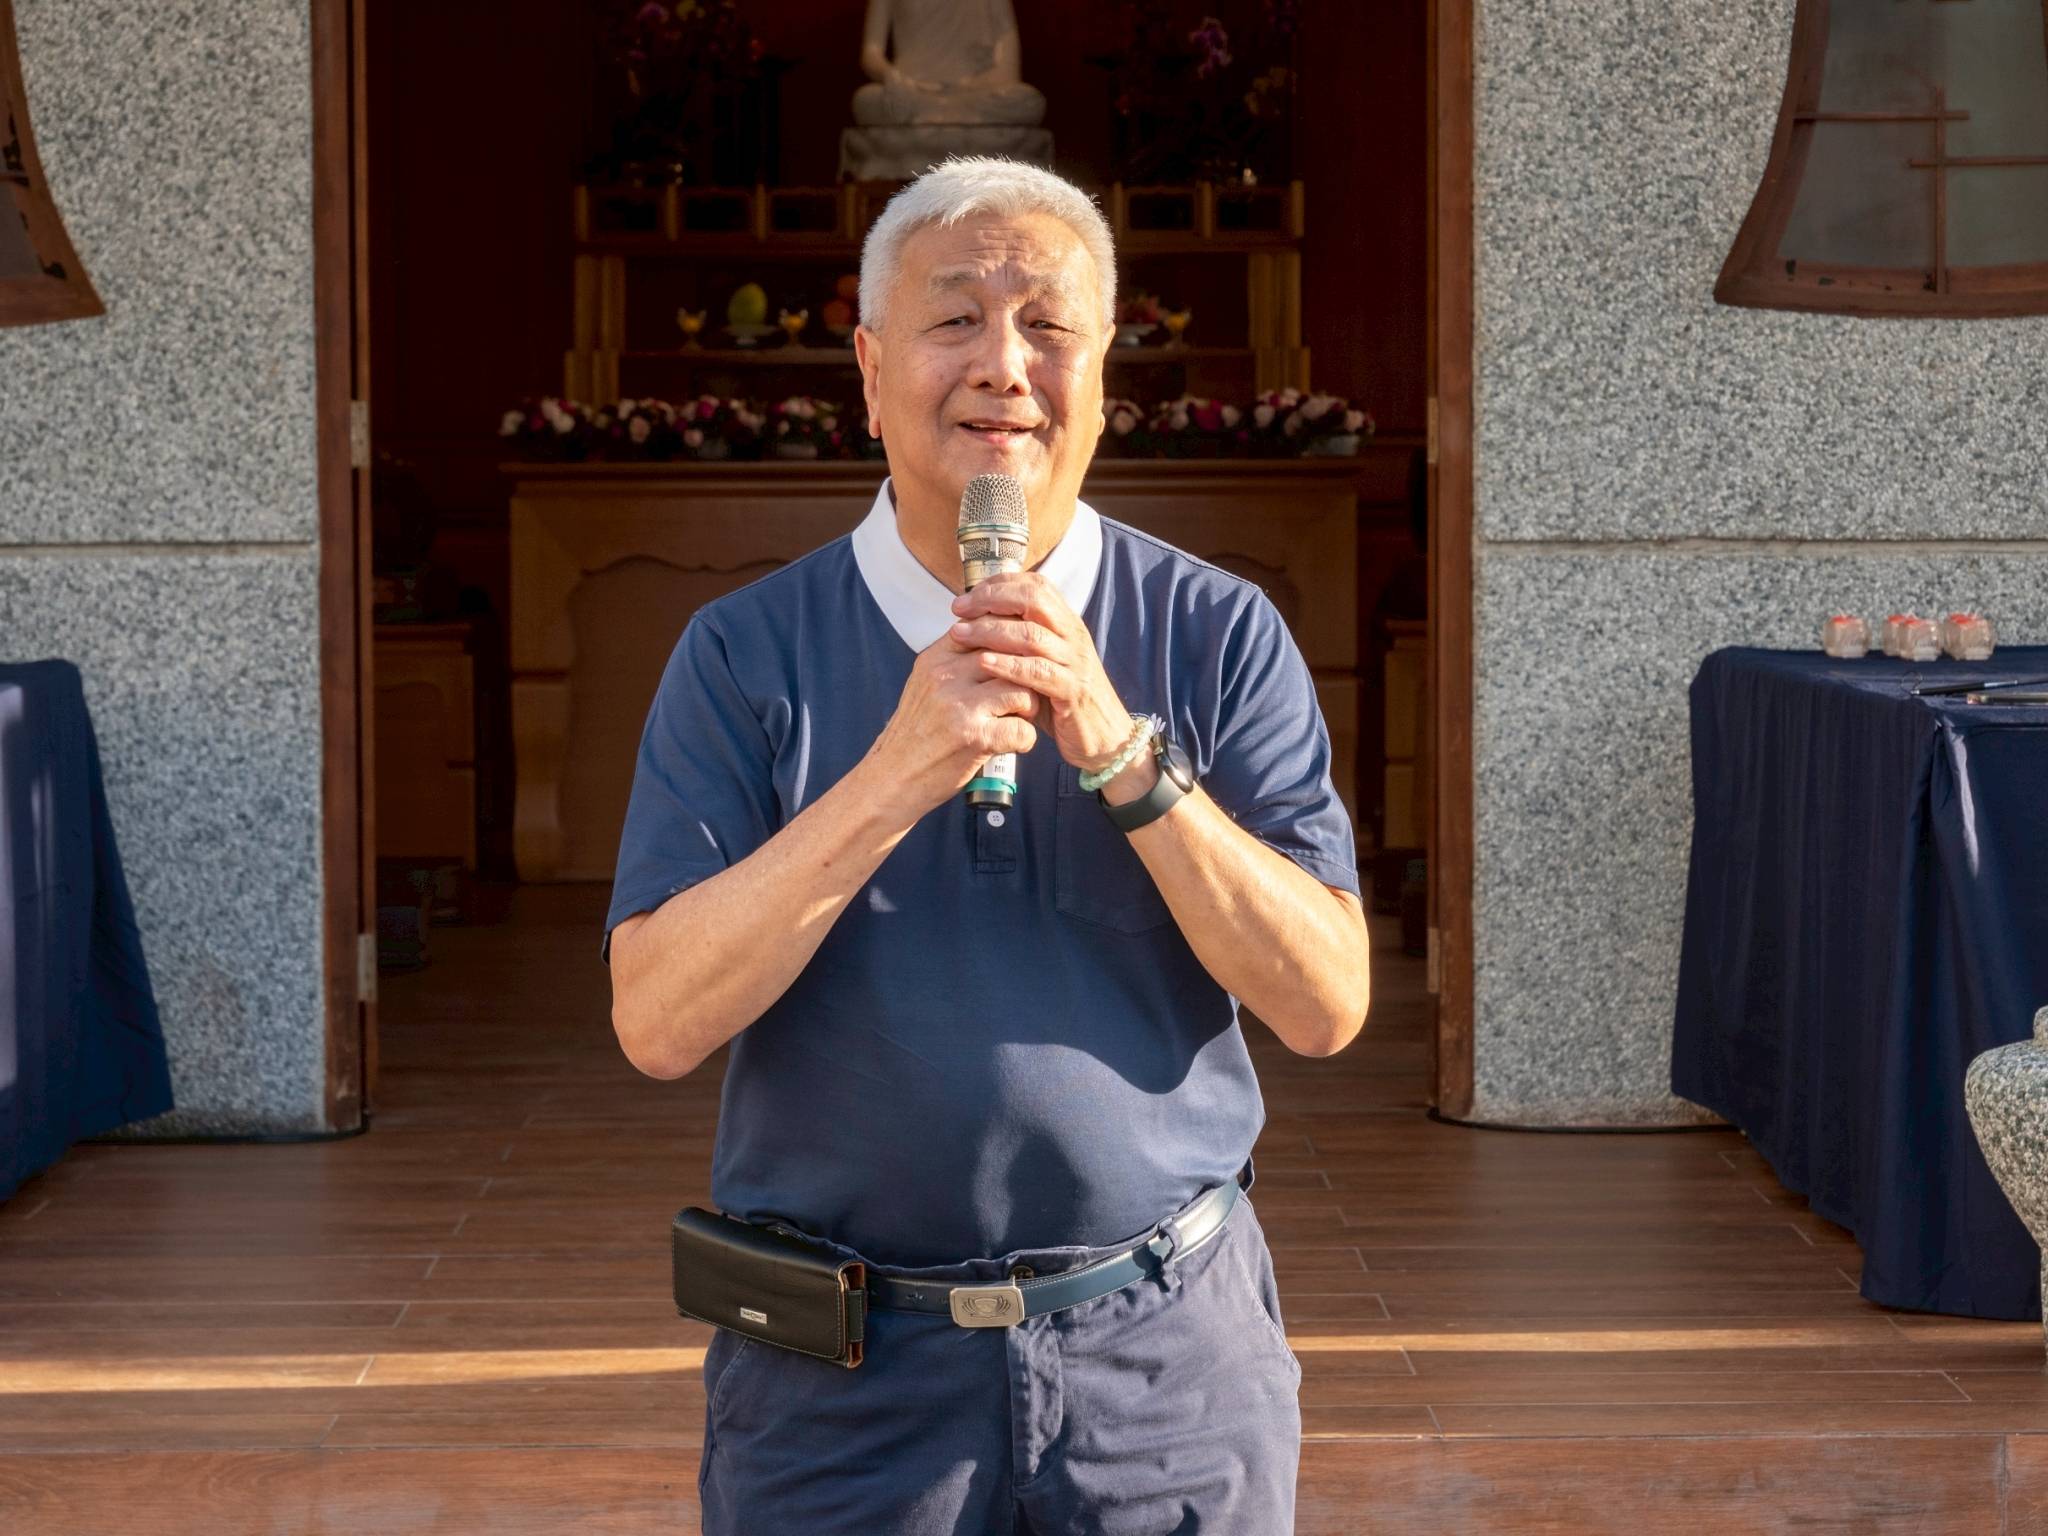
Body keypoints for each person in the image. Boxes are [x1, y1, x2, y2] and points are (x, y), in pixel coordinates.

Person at [605, 156, 1369, 1535]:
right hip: (842, 1387)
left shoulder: (1218, 633)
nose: (1003, 366)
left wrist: (1120, 749)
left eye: (1048, 327)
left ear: (1103, 374)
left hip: (1165, 1370)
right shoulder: (742, 655)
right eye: (954, 319)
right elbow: (656, 1022)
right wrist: (895, 773)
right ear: (868, 369)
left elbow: (1326, 1002)